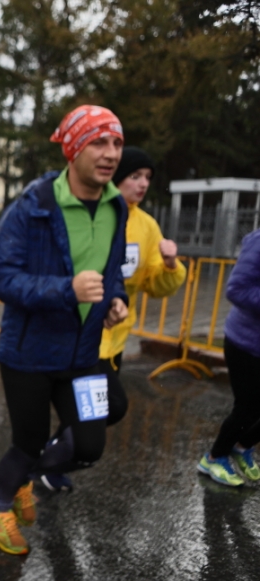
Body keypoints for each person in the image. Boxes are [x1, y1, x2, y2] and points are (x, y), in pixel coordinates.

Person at [0, 105, 130, 555]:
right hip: (28, 355)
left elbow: (113, 268)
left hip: (83, 354)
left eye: (117, 143)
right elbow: (0, 278)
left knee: (89, 445)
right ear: (73, 149)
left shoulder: (115, 205)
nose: (110, 154)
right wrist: (67, 290)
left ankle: (22, 480)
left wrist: (117, 298)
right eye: (98, 143)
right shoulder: (34, 205)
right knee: (27, 441)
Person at [38, 147, 187, 492]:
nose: (143, 184)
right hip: (78, 336)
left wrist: (169, 266)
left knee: (96, 412)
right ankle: (43, 462)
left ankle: (50, 459)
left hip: (113, 341)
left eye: (148, 178)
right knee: (111, 406)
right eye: (135, 176)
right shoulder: (89, 211)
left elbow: (154, 285)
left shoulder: (147, 225)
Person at [197, 228, 260, 487]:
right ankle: (213, 458)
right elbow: (236, 289)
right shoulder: (258, 242)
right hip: (247, 344)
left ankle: (242, 446)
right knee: (247, 408)